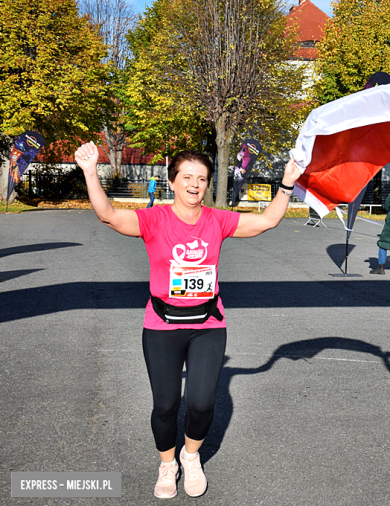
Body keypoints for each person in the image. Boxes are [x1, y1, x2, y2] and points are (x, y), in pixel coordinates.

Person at [73, 142, 300, 499]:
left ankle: (190, 456)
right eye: (187, 177)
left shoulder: (217, 220)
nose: (194, 184)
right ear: (172, 181)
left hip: (208, 324)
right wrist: (89, 170)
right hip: (162, 326)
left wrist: (287, 183)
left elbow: (267, 221)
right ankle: (167, 464)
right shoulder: (155, 219)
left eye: (202, 179)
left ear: (207, 185)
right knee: (165, 405)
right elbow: (110, 216)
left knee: (202, 403)